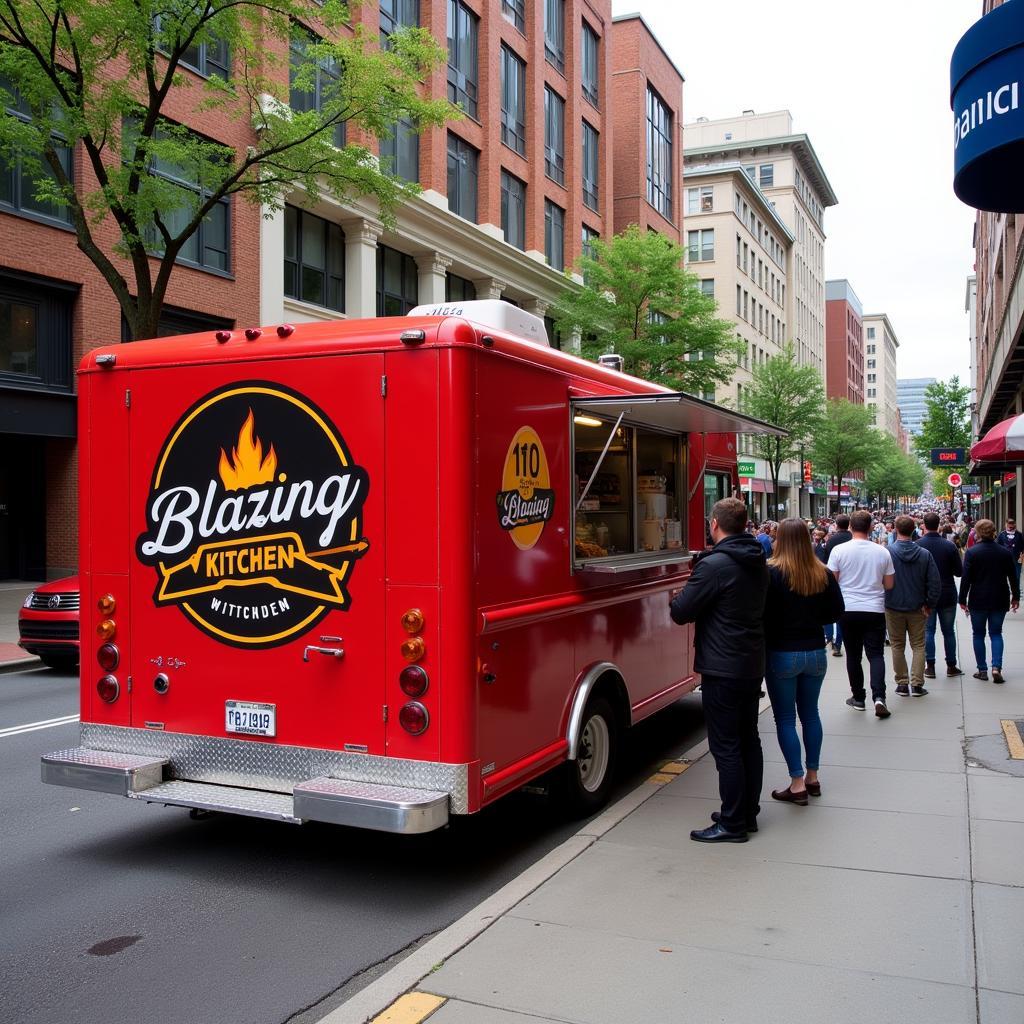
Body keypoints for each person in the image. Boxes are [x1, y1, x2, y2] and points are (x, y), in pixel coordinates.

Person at [670, 497, 769, 842]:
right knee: (748, 739)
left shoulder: (714, 566)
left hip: (722, 665)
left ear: (715, 524)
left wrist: (678, 593)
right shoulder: (757, 558)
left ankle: (731, 823)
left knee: (725, 745)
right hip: (750, 661)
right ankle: (746, 811)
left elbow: (682, 611)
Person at [763, 519, 845, 804]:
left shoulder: (770, 572)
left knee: (785, 718)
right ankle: (813, 776)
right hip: (814, 651)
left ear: (779, 538)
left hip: (782, 652)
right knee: (811, 714)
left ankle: (796, 782)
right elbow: (837, 611)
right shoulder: (820, 572)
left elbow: (761, 614)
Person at [827, 509, 896, 718]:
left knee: (853, 656)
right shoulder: (882, 551)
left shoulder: (839, 551)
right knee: (875, 654)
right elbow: (889, 584)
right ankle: (879, 697)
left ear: (850, 527)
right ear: (871, 527)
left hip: (847, 609)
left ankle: (858, 698)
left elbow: (832, 581)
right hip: (874, 609)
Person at [959, 518, 1020, 684]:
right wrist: (1015, 597)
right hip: (999, 597)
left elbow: (966, 579)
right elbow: (1013, 577)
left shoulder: (972, 553)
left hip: (978, 598)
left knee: (978, 634)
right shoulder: (1005, 552)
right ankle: (996, 667)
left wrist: (962, 599)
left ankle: (982, 669)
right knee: (996, 633)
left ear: (977, 533)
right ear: (994, 532)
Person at [885, 515, 941, 697]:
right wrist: (929, 603)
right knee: (918, 645)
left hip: (893, 605)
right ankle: (917, 684)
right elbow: (934, 582)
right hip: (918, 606)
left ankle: (902, 683)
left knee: (897, 645)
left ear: (895, 529)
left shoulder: (888, 553)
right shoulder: (924, 554)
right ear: (914, 529)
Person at [918, 512, 964, 679]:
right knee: (948, 631)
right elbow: (959, 572)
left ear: (923, 524)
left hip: (926, 595)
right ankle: (951, 665)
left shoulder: (918, 545)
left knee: (929, 630)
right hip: (947, 593)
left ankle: (930, 666)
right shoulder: (949, 546)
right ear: (938, 525)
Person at [823, 513, 852, 656]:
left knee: (838, 615)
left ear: (836, 524)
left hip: (837, 579)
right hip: (852, 580)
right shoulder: (853, 538)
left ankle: (836, 642)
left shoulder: (831, 540)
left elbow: (827, 561)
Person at [996, 517, 1024, 587]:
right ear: (1006, 525)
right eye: (1009, 525)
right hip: (1003, 560)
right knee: (1003, 577)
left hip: (1016, 559)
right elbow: (997, 546)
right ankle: (1004, 590)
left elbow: (1023, 547)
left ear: (1014, 525)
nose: (1010, 527)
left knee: (1017, 576)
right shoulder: (1001, 535)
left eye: (1012, 525)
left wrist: (1022, 556)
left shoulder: (1019, 535)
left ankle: (1016, 591)